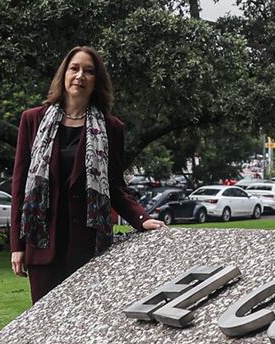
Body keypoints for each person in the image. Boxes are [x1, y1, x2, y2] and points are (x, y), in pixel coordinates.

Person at [9, 46, 164, 303]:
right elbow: (19, 186)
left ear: (96, 81)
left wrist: (141, 218)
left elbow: (115, 186)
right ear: (64, 75)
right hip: (42, 242)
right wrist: (17, 245)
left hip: (88, 246)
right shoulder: (32, 120)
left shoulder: (111, 128)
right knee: (44, 325)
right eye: (74, 68)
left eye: (88, 71)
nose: (80, 76)